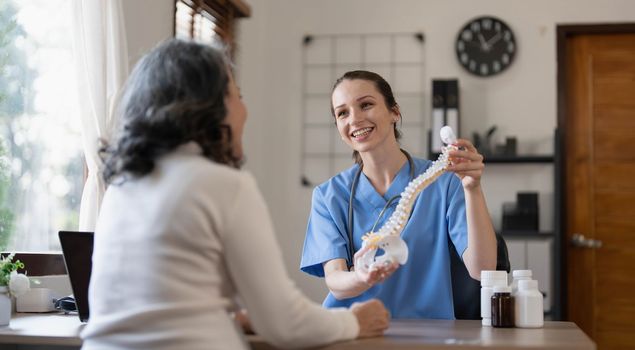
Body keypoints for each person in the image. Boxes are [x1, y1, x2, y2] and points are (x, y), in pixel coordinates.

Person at [81, 41, 389, 350]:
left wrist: (228, 315)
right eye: (237, 96)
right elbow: (285, 323)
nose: (245, 109)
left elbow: (161, 307)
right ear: (209, 108)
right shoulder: (223, 185)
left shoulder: (121, 188)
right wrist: (356, 322)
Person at [300, 70, 497, 319]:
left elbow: (483, 269)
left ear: (395, 112)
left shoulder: (444, 182)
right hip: (354, 330)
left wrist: (473, 188)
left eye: (366, 105)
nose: (355, 119)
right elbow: (336, 283)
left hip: (427, 335)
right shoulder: (329, 196)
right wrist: (361, 277)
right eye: (343, 113)